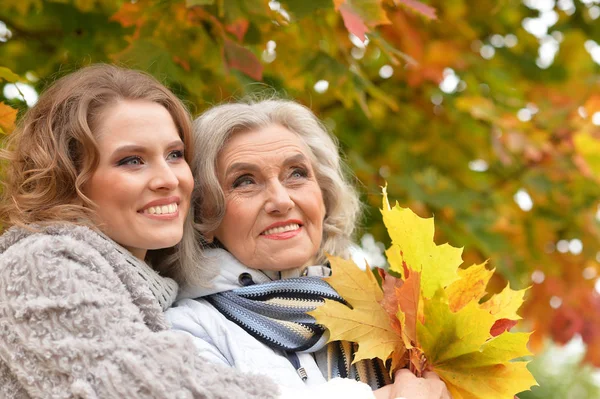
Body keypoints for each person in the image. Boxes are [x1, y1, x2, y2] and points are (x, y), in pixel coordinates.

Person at [0, 65, 278, 399]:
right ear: (69, 177)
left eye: (175, 155)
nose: (169, 179)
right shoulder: (40, 264)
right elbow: (150, 388)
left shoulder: (149, 286)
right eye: (132, 160)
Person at [166, 99, 451, 399]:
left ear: (324, 194)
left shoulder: (394, 312)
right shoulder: (188, 330)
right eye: (245, 181)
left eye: (297, 174)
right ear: (204, 216)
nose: (281, 200)